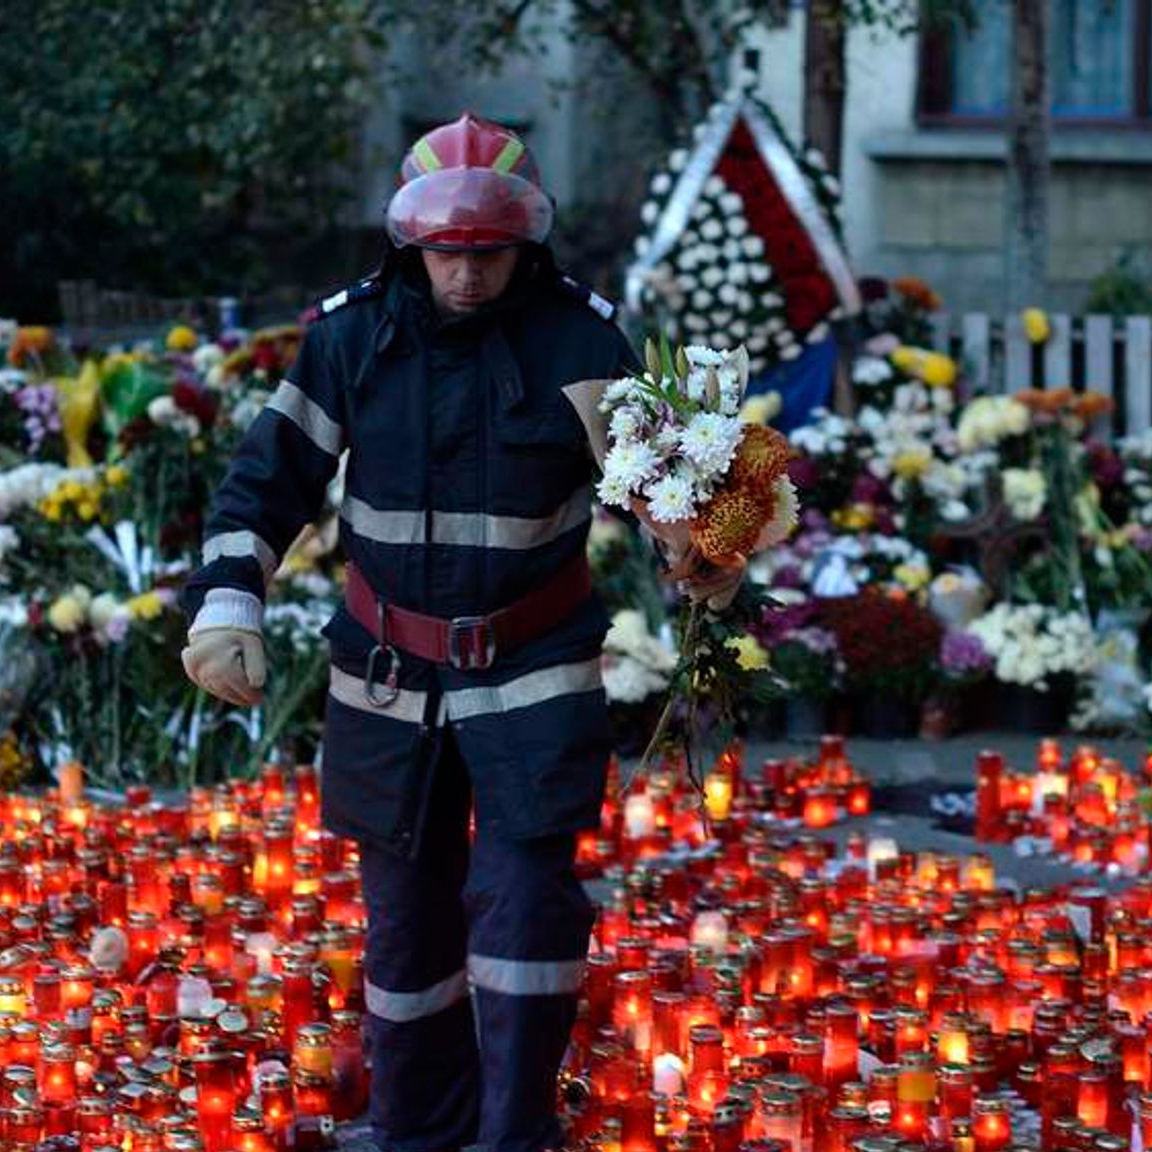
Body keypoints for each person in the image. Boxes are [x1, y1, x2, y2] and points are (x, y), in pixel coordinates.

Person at [179, 114, 739, 1152]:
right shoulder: (351, 337)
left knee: (526, 908)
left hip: (532, 671)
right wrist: (227, 603)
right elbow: (265, 485)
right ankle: (415, 1129)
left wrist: (699, 547)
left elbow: (673, 502)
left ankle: (512, 1132)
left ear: (522, 244)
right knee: (402, 925)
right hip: (385, 682)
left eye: (487, 254)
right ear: (409, 242)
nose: (467, 276)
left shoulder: (583, 341)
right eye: (447, 252)